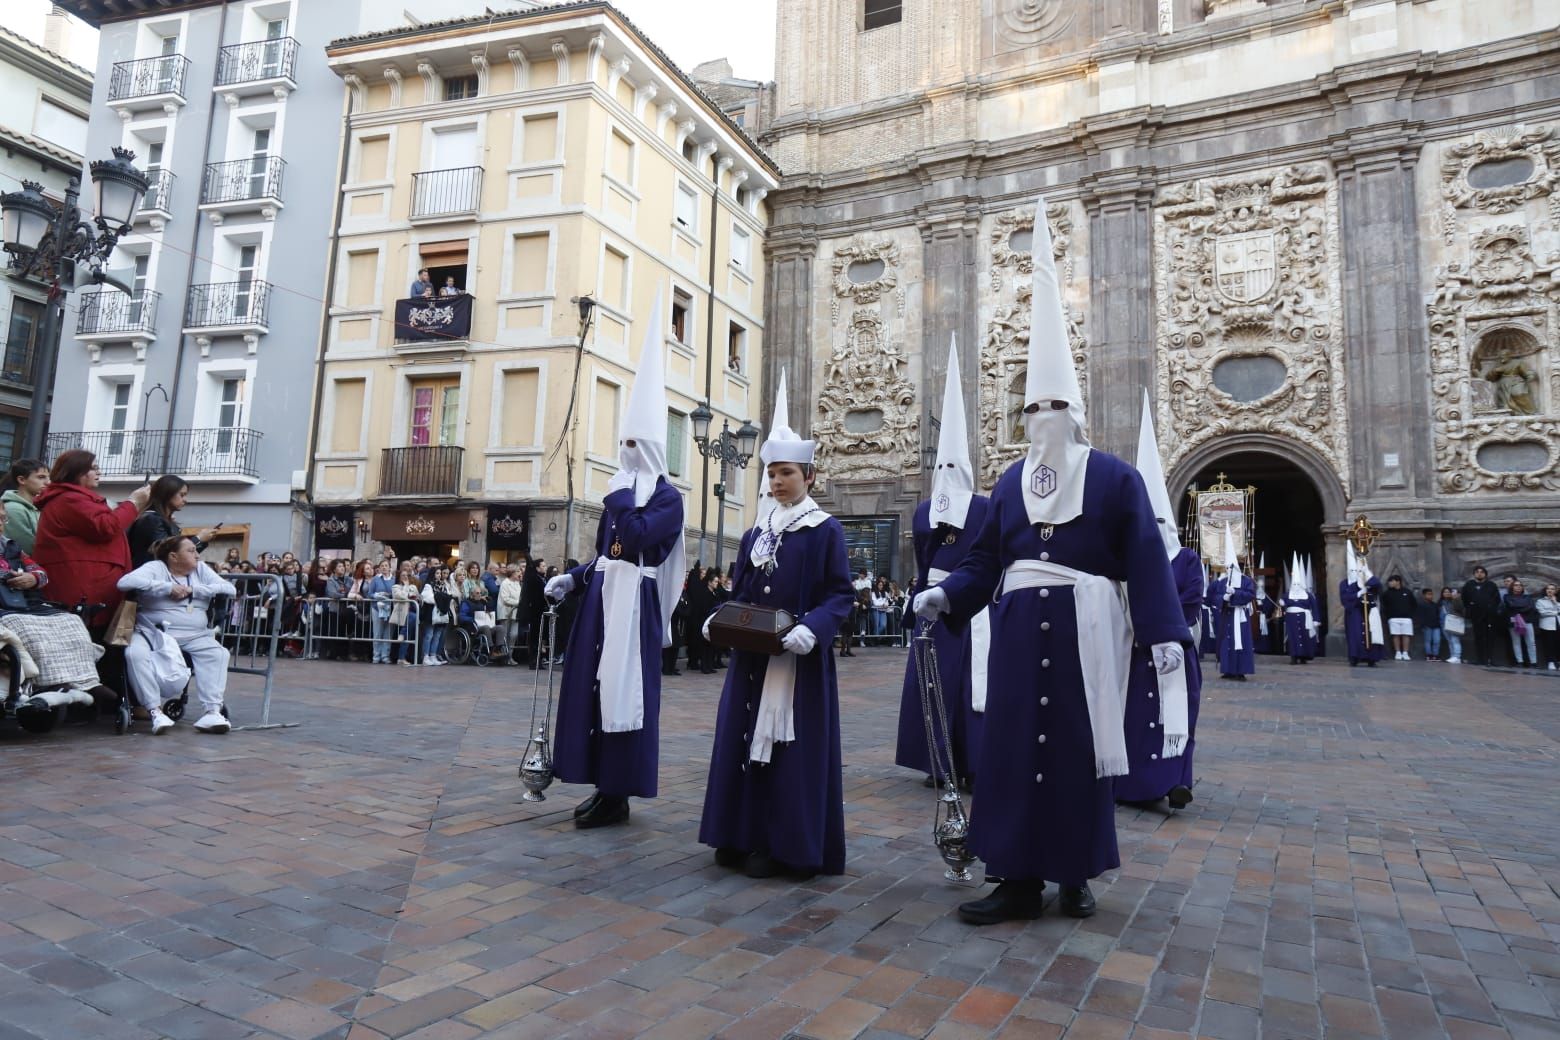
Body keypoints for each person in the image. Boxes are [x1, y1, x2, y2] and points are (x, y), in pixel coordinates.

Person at [912, 200, 1188, 924]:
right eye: (1032, 410)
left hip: (1087, 629)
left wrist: (1164, 638)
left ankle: (1075, 872)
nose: (1042, 422)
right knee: (1007, 751)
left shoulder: (1115, 479)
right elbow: (983, 559)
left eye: (1054, 408)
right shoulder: (1006, 484)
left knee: (1076, 744)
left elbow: (1146, 562)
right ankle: (1014, 876)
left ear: (1074, 411)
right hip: (1017, 626)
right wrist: (948, 597)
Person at [697, 377, 853, 879]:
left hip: (797, 661)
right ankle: (738, 832)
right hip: (751, 658)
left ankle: (786, 844)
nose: (776, 482)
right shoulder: (754, 534)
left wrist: (814, 627)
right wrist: (718, 618)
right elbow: (741, 592)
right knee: (743, 739)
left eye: (785, 473)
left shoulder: (824, 530)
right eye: (770, 473)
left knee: (789, 749)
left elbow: (840, 594)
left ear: (808, 474)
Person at [545, 293, 686, 830]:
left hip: (635, 607)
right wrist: (574, 577)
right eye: (621, 442)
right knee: (591, 686)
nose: (625, 451)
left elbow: (640, 537)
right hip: (602, 601)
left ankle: (619, 789)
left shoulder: (666, 498)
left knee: (627, 688)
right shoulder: (618, 489)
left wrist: (624, 498)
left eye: (634, 443)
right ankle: (596, 779)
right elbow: (609, 552)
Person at [895, 336, 989, 790]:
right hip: (932, 603)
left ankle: (968, 759)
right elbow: (923, 557)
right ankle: (933, 758)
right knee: (930, 683)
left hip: (969, 606)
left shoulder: (985, 508)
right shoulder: (922, 511)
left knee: (965, 685)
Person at [1115, 391, 1201, 810]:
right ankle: (1131, 782)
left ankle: (1175, 780)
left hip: (1171, 647)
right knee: (1133, 718)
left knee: (1174, 715)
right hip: (1131, 649)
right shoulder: (1126, 556)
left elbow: (1190, 600)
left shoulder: (1186, 559)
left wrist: (1162, 626)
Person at [118, 536, 238, 734]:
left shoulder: (200, 570)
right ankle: (154, 711)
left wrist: (193, 591)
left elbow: (229, 588)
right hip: (153, 632)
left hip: (195, 635)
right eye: (191, 551)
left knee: (219, 653)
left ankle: (212, 711)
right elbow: (125, 582)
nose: (197, 555)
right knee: (134, 654)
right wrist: (166, 587)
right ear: (173, 556)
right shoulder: (157, 567)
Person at [31, 451, 151, 631]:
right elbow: (106, 527)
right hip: (84, 588)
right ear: (77, 471)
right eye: (93, 468)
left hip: (88, 584)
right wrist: (133, 503)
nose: (99, 472)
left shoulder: (74, 498)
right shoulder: (70, 499)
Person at [127, 476, 211, 568]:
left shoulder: (159, 520)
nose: (185, 500)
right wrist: (199, 539)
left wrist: (201, 541)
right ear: (167, 494)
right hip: (149, 576)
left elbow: (178, 555)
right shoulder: (152, 520)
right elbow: (167, 552)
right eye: (182, 495)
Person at [1208, 534, 1255, 682]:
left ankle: (1240, 671)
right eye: (1227, 567)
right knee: (1226, 642)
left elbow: (1250, 594)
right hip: (1226, 614)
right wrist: (1223, 598)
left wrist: (1235, 593)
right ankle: (1227, 669)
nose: (1228, 570)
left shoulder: (1246, 580)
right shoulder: (1222, 583)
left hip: (1239, 615)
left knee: (1240, 641)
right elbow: (1213, 597)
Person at [1340, 543, 1384, 667]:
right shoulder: (1345, 583)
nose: (1356, 572)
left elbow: (1378, 587)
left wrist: (1367, 573)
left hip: (1370, 610)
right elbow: (1344, 598)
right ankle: (1355, 657)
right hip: (1355, 611)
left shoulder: (1367, 581)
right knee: (1356, 635)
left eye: (1358, 570)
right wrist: (1358, 594)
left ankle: (1372, 658)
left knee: (1372, 633)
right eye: (1353, 570)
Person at [1, 458, 48, 555]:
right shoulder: (13, 509)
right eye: (41, 477)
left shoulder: (36, 507)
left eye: (48, 477)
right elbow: (28, 547)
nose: (48, 482)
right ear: (22, 480)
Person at [1461, 566, 1503, 667]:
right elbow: (1464, 598)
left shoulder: (1491, 585)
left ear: (1485, 574)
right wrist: (1471, 607)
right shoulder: (1469, 585)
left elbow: (1496, 599)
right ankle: (1480, 659)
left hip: (1489, 616)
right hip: (1476, 616)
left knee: (1490, 638)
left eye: (1482, 572)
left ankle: (1490, 659)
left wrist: (1491, 608)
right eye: (1477, 572)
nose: (1479, 574)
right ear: (1474, 574)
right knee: (1478, 637)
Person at [1281, 554, 1318, 664]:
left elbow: (1314, 607)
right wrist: (1283, 603)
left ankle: (1304, 656)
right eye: (1294, 584)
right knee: (1293, 637)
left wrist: (1316, 619)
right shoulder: (1287, 594)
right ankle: (1294, 655)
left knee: (1305, 636)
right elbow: (1284, 603)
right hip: (1291, 618)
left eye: (1298, 584)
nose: (1296, 586)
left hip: (1304, 618)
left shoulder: (1308, 595)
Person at [1380, 574, 1416, 661]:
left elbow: (1414, 604)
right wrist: (1388, 615)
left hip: (1406, 617)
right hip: (1393, 618)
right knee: (1395, 635)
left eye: (1392, 581)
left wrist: (1410, 614)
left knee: (1406, 635)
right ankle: (1398, 652)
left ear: (1398, 582)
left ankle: (1405, 652)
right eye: (1389, 582)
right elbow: (1384, 605)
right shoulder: (1387, 593)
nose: (1390, 583)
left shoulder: (1407, 592)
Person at [1503, 580, 1538, 667]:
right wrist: (1523, 607)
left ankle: (1533, 662)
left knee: (1531, 642)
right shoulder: (1507, 596)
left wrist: (1518, 609)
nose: (1518, 587)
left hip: (1527, 621)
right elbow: (1511, 606)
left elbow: (1531, 607)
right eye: (1515, 585)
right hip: (1514, 622)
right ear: (1512, 587)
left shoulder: (1528, 597)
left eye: (1520, 585)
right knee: (1516, 642)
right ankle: (1520, 661)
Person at [367, 560, 395, 663]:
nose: (384, 567)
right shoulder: (375, 579)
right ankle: (376, 655)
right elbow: (369, 593)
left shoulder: (394, 579)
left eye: (386, 565)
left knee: (388, 633)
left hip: (390, 608)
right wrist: (377, 595)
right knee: (377, 632)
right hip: (377, 608)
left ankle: (385, 655)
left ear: (389, 567)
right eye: (382, 566)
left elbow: (395, 593)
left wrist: (389, 595)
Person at [1416, 588, 1444, 662]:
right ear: (1424, 595)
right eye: (1428, 594)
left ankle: (1436, 655)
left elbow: (1438, 614)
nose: (1430, 596)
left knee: (1437, 640)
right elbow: (1420, 616)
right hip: (1427, 626)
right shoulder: (1421, 605)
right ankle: (1429, 655)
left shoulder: (1435, 605)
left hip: (1436, 625)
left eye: (1431, 594)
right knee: (1427, 641)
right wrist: (1422, 625)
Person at [1537, 584, 1560, 671]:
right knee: (1549, 644)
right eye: (1548, 589)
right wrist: (1556, 612)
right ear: (1545, 590)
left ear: (1555, 591)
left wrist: (1554, 602)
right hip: (1547, 626)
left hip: (1558, 624)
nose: (1550, 590)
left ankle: (1558, 662)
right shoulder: (1540, 601)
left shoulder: (1557, 601)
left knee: (1558, 644)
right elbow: (1542, 613)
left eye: (1552, 589)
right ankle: (1550, 662)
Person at [1440, 587, 1465, 664]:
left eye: (1449, 592)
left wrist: (1456, 598)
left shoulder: (1457, 600)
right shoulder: (1442, 602)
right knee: (1450, 641)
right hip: (1445, 622)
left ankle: (1457, 656)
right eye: (1445, 592)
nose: (1448, 593)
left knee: (1455, 640)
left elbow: (1461, 609)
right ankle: (1452, 656)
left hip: (1454, 622)